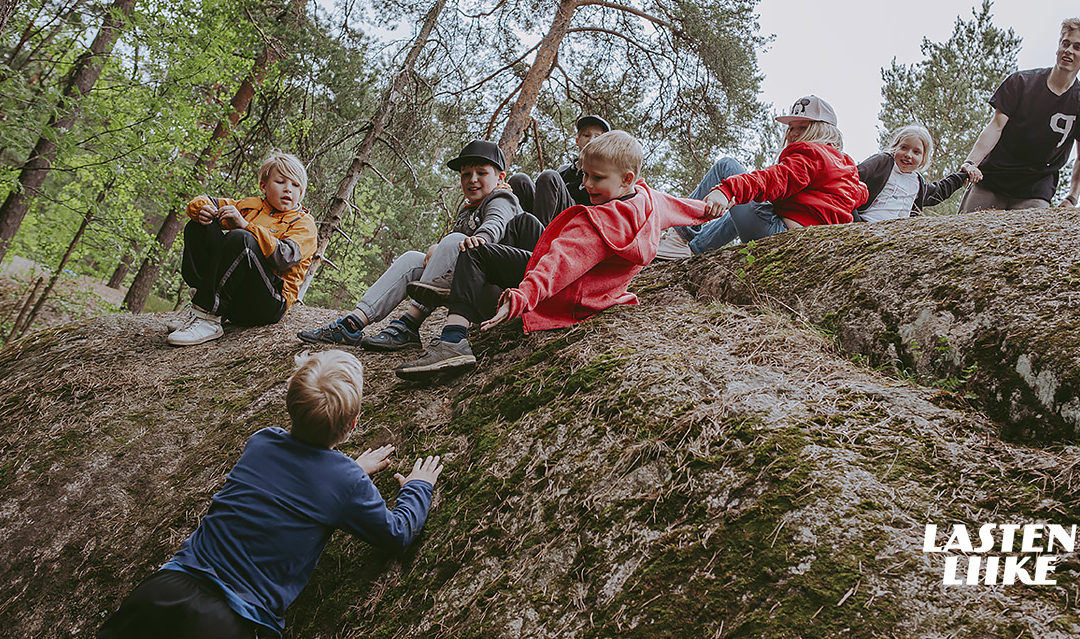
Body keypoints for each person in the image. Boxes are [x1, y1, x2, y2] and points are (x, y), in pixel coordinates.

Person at [98, 350, 444, 639]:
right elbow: (397, 534)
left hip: (166, 590)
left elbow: (296, 477)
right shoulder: (345, 483)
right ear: (353, 423)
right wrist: (418, 486)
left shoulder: (262, 441)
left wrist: (348, 472)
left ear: (289, 404)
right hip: (232, 621)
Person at [394, 130, 712, 381]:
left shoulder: (597, 224)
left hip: (565, 293)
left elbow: (559, 262)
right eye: (585, 174)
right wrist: (726, 198)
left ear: (626, 178)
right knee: (522, 223)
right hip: (592, 290)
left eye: (596, 178)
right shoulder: (649, 200)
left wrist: (522, 296)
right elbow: (695, 208)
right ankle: (459, 284)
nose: (585, 185)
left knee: (475, 254)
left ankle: (452, 341)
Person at [297, 140, 523, 351]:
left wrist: (480, 238)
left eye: (481, 173)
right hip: (470, 285)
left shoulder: (502, 198)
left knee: (453, 241)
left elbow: (496, 222)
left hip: (497, 294)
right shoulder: (469, 210)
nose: (472, 179)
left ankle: (410, 322)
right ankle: (353, 322)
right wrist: (438, 248)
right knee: (412, 259)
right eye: (466, 175)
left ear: (500, 177)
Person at [654, 95, 867, 259]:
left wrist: (726, 190)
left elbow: (773, 180)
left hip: (781, 237)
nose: (793, 133)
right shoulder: (845, 166)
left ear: (822, 129)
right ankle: (694, 250)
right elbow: (859, 195)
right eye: (791, 127)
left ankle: (680, 235)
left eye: (803, 127)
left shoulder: (811, 154)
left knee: (727, 166)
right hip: (809, 244)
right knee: (748, 200)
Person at [167, 152, 317, 346]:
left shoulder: (304, 224)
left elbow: (284, 257)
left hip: (268, 302)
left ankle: (208, 318)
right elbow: (208, 201)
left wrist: (246, 226)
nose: (288, 190)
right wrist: (201, 209)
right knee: (199, 225)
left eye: (296, 185)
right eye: (281, 182)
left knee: (242, 239)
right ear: (264, 186)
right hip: (235, 298)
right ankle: (200, 307)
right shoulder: (252, 206)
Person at [957, 18, 1080, 213]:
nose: (1069, 51)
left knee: (1030, 241)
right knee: (965, 234)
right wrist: (972, 162)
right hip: (993, 178)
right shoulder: (1021, 82)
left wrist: (1072, 197)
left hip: (1036, 189)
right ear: (1058, 46)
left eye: (1077, 47)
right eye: (1065, 44)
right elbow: (995, 126)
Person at [508, 115, 611, 226]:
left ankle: (538, 236)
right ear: (577, 140)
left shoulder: (605, 173)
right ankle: (515, 230)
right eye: (586, 135)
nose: (591, 140)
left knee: (549, 176)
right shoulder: (564, 170)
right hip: (551, 216)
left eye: (597, 137)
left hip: (578, 220)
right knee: (519, 180)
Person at [854, 124, 968, 222]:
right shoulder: (883, 162)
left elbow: (939, 191)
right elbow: (852, 179)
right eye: (904, 148)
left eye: (916, 152)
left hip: (897, 233)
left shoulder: (917, 182)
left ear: (923, 159)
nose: (908, 155)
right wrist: (856, 220)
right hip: (867, 223)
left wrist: (962, 176)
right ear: (895, 148)